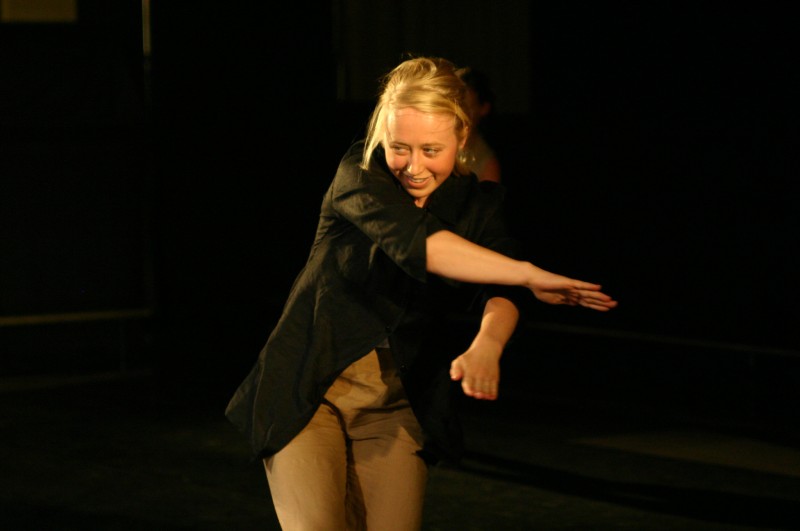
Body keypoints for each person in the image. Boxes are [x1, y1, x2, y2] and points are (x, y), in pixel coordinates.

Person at [225, 56, 617, 530]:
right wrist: (529, 274)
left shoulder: (477, 205)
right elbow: (421, 245)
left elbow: (497, 289)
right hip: (309, 394)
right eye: (399, 148)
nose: (413, 167)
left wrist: (487, 344)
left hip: (395, 405)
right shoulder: (360, 176)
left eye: (431, 149)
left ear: (462, 137)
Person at [457, 66, 502, 183]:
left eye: (466, 108)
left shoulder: (486, 163)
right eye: (456, 105)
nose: (458, 114)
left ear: (484, 108)